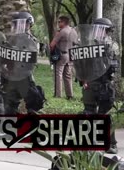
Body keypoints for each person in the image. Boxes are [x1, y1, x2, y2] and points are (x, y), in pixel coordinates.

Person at [74, 18, 119, 154]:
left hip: (105, 83)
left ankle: (111, 143)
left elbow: (114, 65)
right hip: (90, 83)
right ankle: (88, 143)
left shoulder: (112, 45)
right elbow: (80, 63)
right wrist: (82, 78)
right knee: (88, 113)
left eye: (102, 30)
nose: (98, 33)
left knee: (104, 115)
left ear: (107, 31)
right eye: (97, 29)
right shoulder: (87, 44)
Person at [0, 11, 44, 115]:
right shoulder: (11, 39)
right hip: (11, 74)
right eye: (16, 23)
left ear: (29, 25)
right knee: (9, 103)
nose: (19, 26)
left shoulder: (31, 40)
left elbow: (32, 57)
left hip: (25, 75)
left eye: (22, 23)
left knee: (32, 102)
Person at [49, 15, 78, 99]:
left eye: (59, 22)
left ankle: (58, 95)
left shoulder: (62, 32)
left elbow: (52, 45)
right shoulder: (74, 31)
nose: (58, 23)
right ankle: (70, 95)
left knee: (58, 74)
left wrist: (52, 53)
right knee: (68, 75)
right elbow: (76, 43)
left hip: (62, 54)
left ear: (63, 22)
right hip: (71, 55)